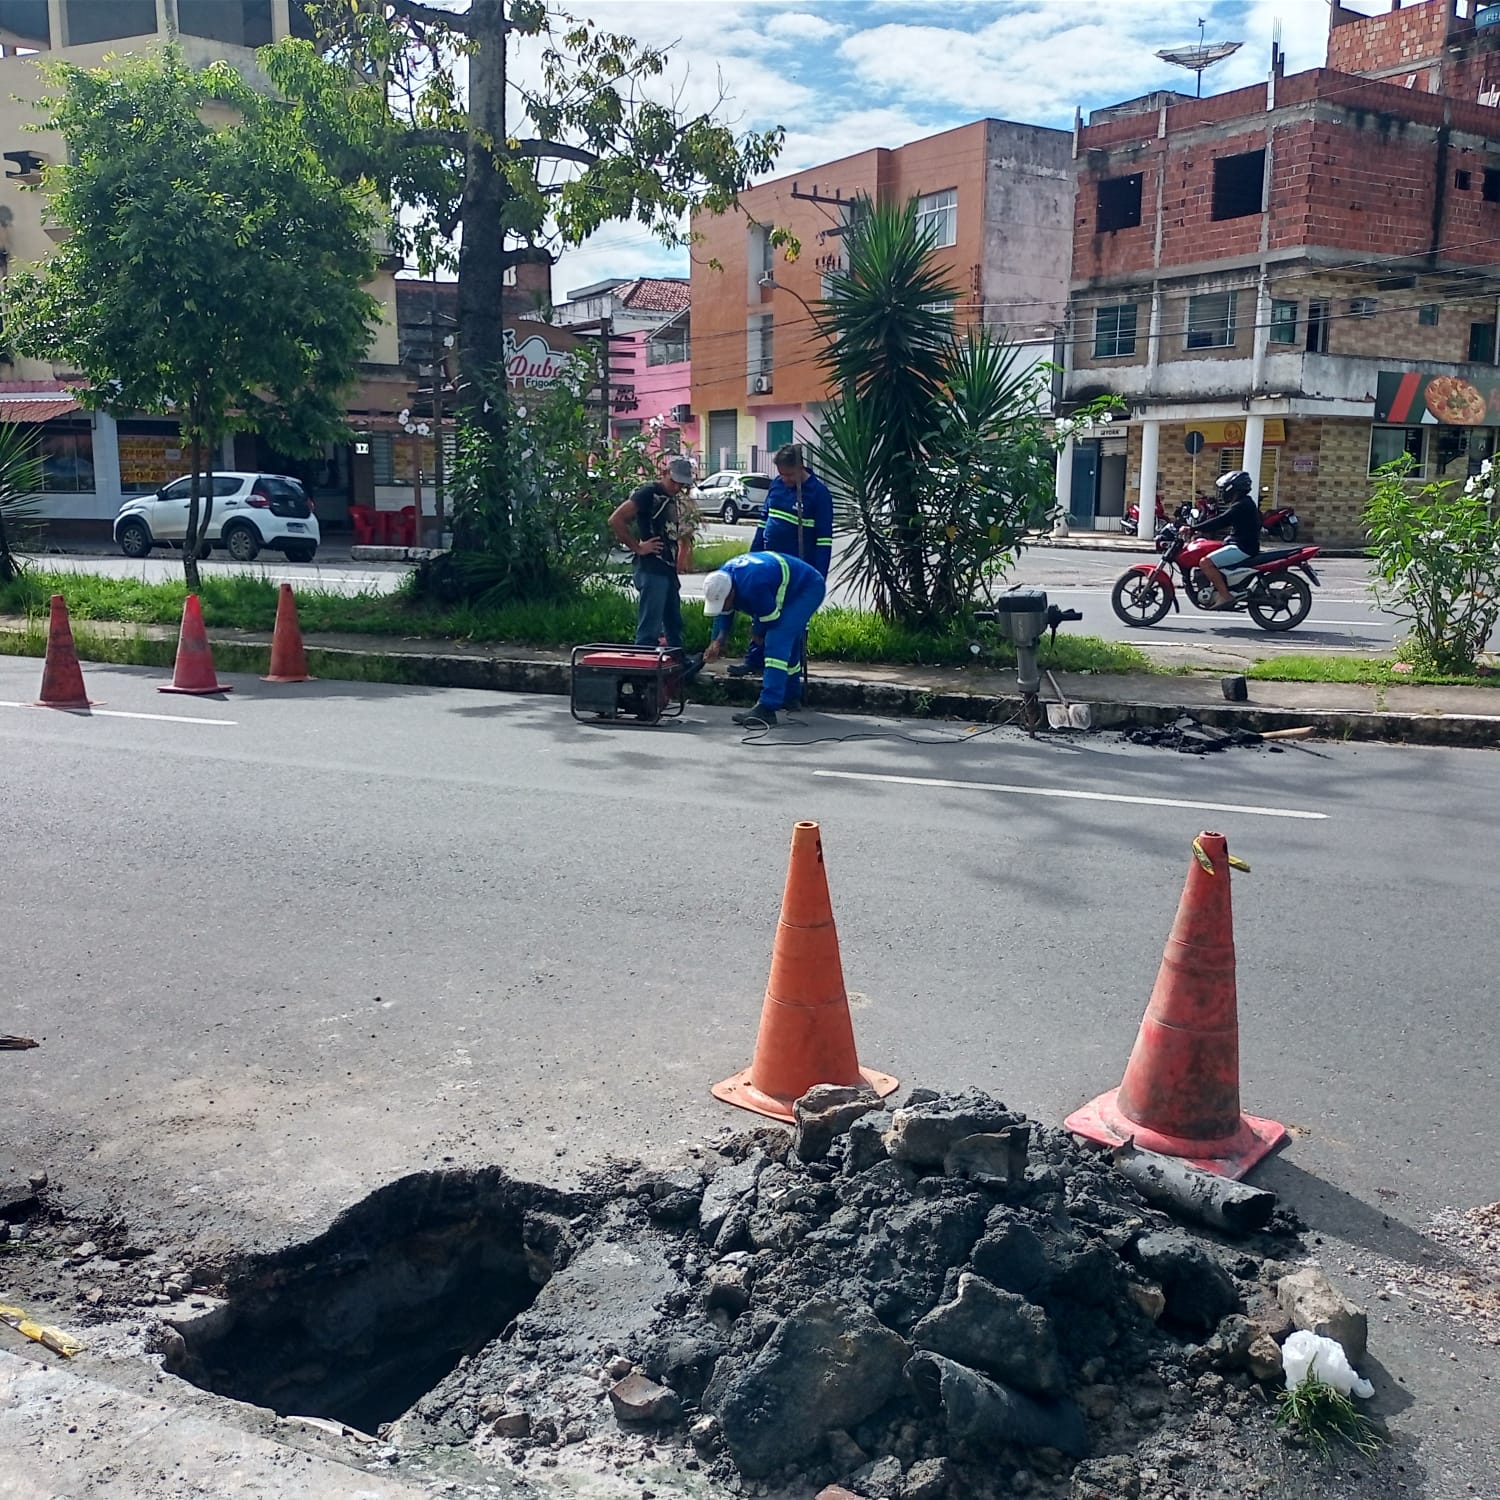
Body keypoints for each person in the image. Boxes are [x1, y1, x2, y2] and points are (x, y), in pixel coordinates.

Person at [730, 442, 834, 680]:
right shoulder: (776, 486)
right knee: (761, 612)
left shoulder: (818, 494)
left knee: (789, 624)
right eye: (781, 474)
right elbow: (763, 522)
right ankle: (754, 660)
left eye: (788, 474)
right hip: (768, 568)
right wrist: (753, 555)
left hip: (796, 573)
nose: (784, 479)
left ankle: (789, 679)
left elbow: (824, 542)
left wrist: (819, 577)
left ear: (801, 468)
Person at [702, 551, 826, 727]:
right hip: (785, 586)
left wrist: (758, 632)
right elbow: (725, 612)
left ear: (730, 593)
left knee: (777, 640)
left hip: (807, 587)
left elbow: (770, 619)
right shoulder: (722, 577)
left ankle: (767, 707)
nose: (722, 607)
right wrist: (718, 640)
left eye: (723, 602)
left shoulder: (753, 585)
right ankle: (790, 696)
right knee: (786, 642)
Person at [609, 456, 695, 649]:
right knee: (650, 627)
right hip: (651, 567)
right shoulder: (647, 493)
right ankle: (643, 667)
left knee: (674, 623)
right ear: (664, 473)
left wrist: (681, 555)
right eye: (674, 482)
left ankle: (676, 661)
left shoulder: (673, 498)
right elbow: (616, 519)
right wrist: (638, 547)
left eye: (681, 484)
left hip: (667, 568)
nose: (676, 487)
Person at [1192, 469, 1262, 609]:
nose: (1222, 492)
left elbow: (1221, 521)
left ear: (1232, 488)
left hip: (1243, 547)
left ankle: (1225, 595)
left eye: (1224, 489)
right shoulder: (1246, 502)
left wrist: (1193, 528)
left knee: (1205, 563)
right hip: (1243, 544)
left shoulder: (1241, 506)